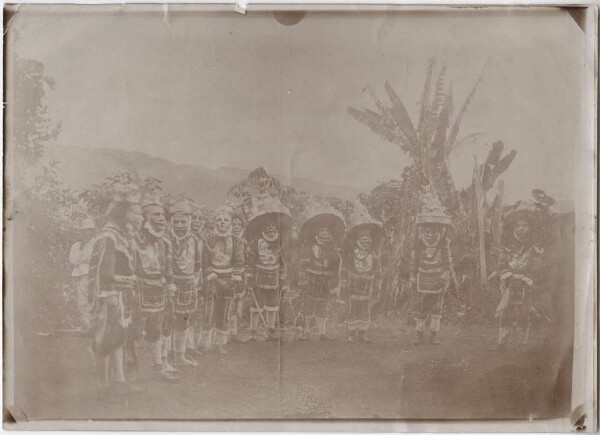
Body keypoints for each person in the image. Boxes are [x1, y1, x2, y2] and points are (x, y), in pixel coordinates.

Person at [88, 184, 142, 398]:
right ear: (123, 212)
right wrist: (120, 287)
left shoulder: (123, 235)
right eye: (135, 211)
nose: (139, 215)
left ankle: (119, 380)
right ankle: (102, 384)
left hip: (121, 295)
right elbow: (104, 274)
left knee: (119, 337)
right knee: (104, 338)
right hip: (110, 296)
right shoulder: (109, 237)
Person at [131, 193, 179, 382]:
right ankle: (132, 370)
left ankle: (158, 366)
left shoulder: (165, 242)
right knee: (134, 330)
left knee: (157, 329)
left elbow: (168, 269)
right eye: (156, 215)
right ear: (144, 218)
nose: (161, 219)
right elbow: (131, 267)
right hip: (139, 289)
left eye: (162, 215)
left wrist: (171, 286)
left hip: (159, 289)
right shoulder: (134, 240)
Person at [491, 204, 543, 350]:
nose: (521, 228)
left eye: (524, 225)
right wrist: (507, 276)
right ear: (514, 228)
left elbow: (536, 266)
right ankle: (502, 342)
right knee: (506, 311)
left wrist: (526, 279)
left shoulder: (534, 247)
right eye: (518, 226)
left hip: (526, 282)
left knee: (524, 311)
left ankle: (522, 342)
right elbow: (501, 263)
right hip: (509, 281)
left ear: (530, 228)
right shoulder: (507, 246)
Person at [410, 189, 455, 346]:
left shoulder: (443, 243)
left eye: (433, 232)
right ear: (423, 231)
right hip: (423, 277)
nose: (430, 235)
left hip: (438, 277)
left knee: (437, 308)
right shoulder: (419, 242)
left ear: (438, 231)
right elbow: (414, 260)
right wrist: (412, 275)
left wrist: (446, 274)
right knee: (422, 306)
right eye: (427, 232)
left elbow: (447, 259)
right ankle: (419, 335)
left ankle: (434, 336)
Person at [244, 195, 292, 341]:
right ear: (262, 228)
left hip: (275, 278)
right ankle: (253, 330)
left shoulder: (281, 243)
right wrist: (250, 281)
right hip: (259, 277)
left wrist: (284, 281)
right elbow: (250, 263)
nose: (271, 229)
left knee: (273, 304)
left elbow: (283, 263)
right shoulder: (254, 243)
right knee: (256, 305)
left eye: (273, 227)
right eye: (268, 227)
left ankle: (270, 330)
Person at [199, 205, 245, 353]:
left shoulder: (237, 241)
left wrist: (236, 275)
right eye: (219, 220)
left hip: (229, 280)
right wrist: (210, 273)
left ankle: (220, 344)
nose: (222, 223)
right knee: (208, 311)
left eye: (226, 220)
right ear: (214, 223)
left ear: (231, 223)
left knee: (225, 312)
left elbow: (239, 261)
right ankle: (205, 343)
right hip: (212, 280)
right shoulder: (208, 239)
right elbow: (204, 260)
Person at [297, 204, 345, 341]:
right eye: (322, 233)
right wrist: (303, 281)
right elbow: (303, 265)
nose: (325, 236)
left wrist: (335, 285)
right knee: (309, 306)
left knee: (323, 307)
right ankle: (305, 332)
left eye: (328, 234)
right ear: (317, 234)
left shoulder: (334, 252)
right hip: (311, 281)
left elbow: (336, 270)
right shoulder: (309, 248)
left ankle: (322, 333)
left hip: (326, 283)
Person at [166, 200, 203, 367]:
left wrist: (195, 277)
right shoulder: (165, 240)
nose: (180, 225)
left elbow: (198, 262)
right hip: (170, 284)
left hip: (188, 284)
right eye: (176, 222)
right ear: (171, 223)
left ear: (189, 222)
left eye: (183, 222)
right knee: (166, 320)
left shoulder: (195, 240)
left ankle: (180, 356)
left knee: (184, 320)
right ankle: (164, 357)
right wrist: (169, 283)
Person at [341, 204, 383, 343]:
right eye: (362, 236)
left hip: (368, 288)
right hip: (352, 287)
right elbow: (344, 270)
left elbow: (378, 273)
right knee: (352, 309)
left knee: (366, 310)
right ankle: (352, 334)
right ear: (356, 238)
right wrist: (343, 286)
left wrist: (377, 288)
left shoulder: (374, 254)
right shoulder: (350, 254)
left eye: (368, 237)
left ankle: (362, 334)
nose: (365, 239)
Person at [69, 218, 96, 331]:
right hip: (79, 274)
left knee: (92, 299)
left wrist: (85, 260)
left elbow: (96, 259)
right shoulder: (77, 245)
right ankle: (86, 324)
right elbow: (73, 260)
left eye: (88, 230)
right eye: (84, 231)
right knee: (81, 300)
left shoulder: (96, 243)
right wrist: (83, 255)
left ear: (92, 231)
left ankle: (92, 325)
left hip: (92, 274)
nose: (86, 233)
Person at [228, 209, 249, 343]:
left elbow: (246, 261)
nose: (236, 227)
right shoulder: (226, 241)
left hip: (240, 276)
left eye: (238, 225)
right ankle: (224, 333)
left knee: (237, 304)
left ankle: (234, 332)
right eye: (233, 224)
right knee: (227, 304)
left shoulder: (244, 242)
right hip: (227, 276)